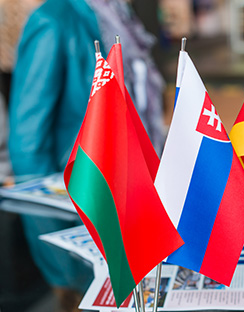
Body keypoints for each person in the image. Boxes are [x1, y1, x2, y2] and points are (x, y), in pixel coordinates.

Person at [9, 0, 165, 311]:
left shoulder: (121, 16)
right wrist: (60, 264)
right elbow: (28, 143)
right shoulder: (54, 19)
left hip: (134, 198)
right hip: (84, 210)